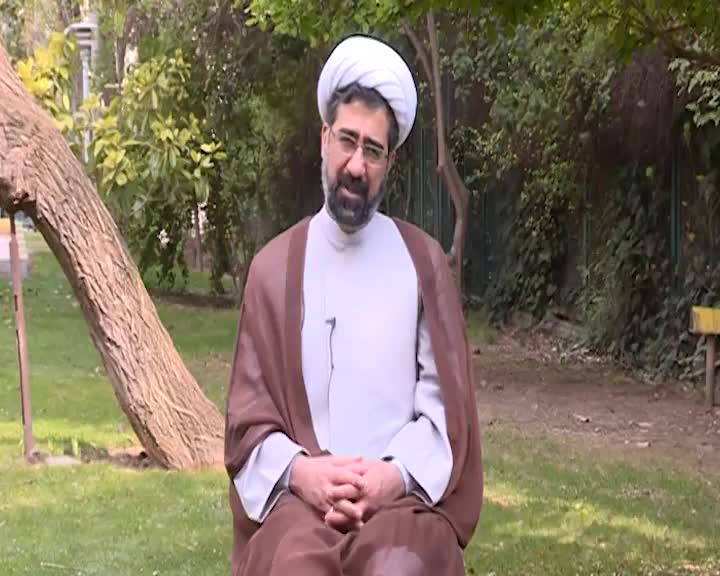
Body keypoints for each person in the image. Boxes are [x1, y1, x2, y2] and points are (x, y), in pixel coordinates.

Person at [224, 34, 483, 576]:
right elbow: (249, 426)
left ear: (390, 161)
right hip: (300, 503)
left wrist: (393, 477)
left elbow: (446, 415)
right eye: (347, 140)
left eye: (373, 150)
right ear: (324, 138)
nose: (356, 166)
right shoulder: (273, 269)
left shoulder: (424, 264)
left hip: (400, 502)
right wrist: (303, 474)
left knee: (400, 566)